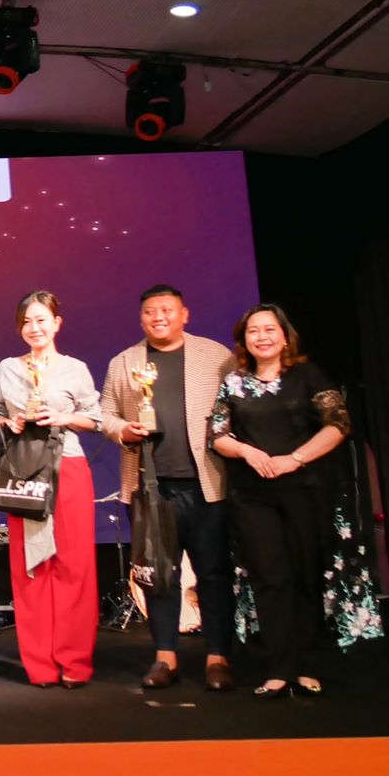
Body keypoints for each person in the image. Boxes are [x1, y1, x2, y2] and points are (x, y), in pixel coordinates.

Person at [209, 304, 352, 698]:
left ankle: (306, 665)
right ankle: (278, 668)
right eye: (253, 331)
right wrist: (246, 451)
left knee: (305, 573)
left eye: (270, 329)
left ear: (285, 337)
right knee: (269, 578)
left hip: (306, 490)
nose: (262, 337)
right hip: (254, 496)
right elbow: (217, 435)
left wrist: (296, 458)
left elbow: (339, 424)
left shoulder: (307, 376)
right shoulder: (234, 382)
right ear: (244, 341)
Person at [99, 284, 236, 692]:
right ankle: (164, 657)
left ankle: (218, 658)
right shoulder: (124, 362)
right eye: (150, 311)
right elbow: (106, 414)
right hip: (148, 488)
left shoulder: (216, 356)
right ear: (141, 318)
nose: (158, 317)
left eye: (167, 310)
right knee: (157, 575)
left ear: (184, 314)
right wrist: (122, 430)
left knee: (214, 574)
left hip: (207, 485)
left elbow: (236, 408)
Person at [0, 292, 102, 688]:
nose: (34, 328)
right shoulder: (7, 368)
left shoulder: (75, 368)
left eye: (41, 320)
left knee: (73, 564)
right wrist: (10, 422)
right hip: (23, 470)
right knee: (31, 565)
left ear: (56, 323)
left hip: (67, 467)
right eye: (26, 322)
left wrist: (62, 417)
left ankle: (74, 661)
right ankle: (39, 664)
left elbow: (95, 418)